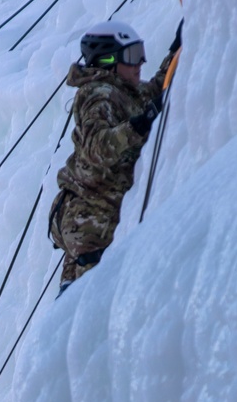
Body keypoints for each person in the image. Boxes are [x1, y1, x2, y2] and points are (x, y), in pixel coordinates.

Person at [49, 19, 182, 293]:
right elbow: (97, 147)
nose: (140, 63)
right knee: (90, 303)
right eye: (132, 56)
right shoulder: (99, 95)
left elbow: (156, 89)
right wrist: (140, 124)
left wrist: (176, 49)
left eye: (141, 53)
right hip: (90, 222)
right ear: (108, 60)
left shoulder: (124, 91)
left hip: (91, 220)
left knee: (76, 307)